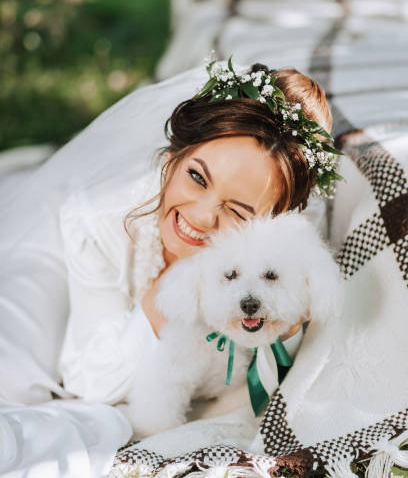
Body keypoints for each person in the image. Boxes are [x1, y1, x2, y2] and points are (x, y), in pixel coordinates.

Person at [0, 58, 335, 421]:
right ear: (172, 159)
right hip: (49, 244)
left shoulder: (287, 243)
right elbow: (89, 384)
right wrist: (168, 290)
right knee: (16, 384)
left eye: (238, 212)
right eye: (197, 177)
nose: (203, 216)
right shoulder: (97, 223)